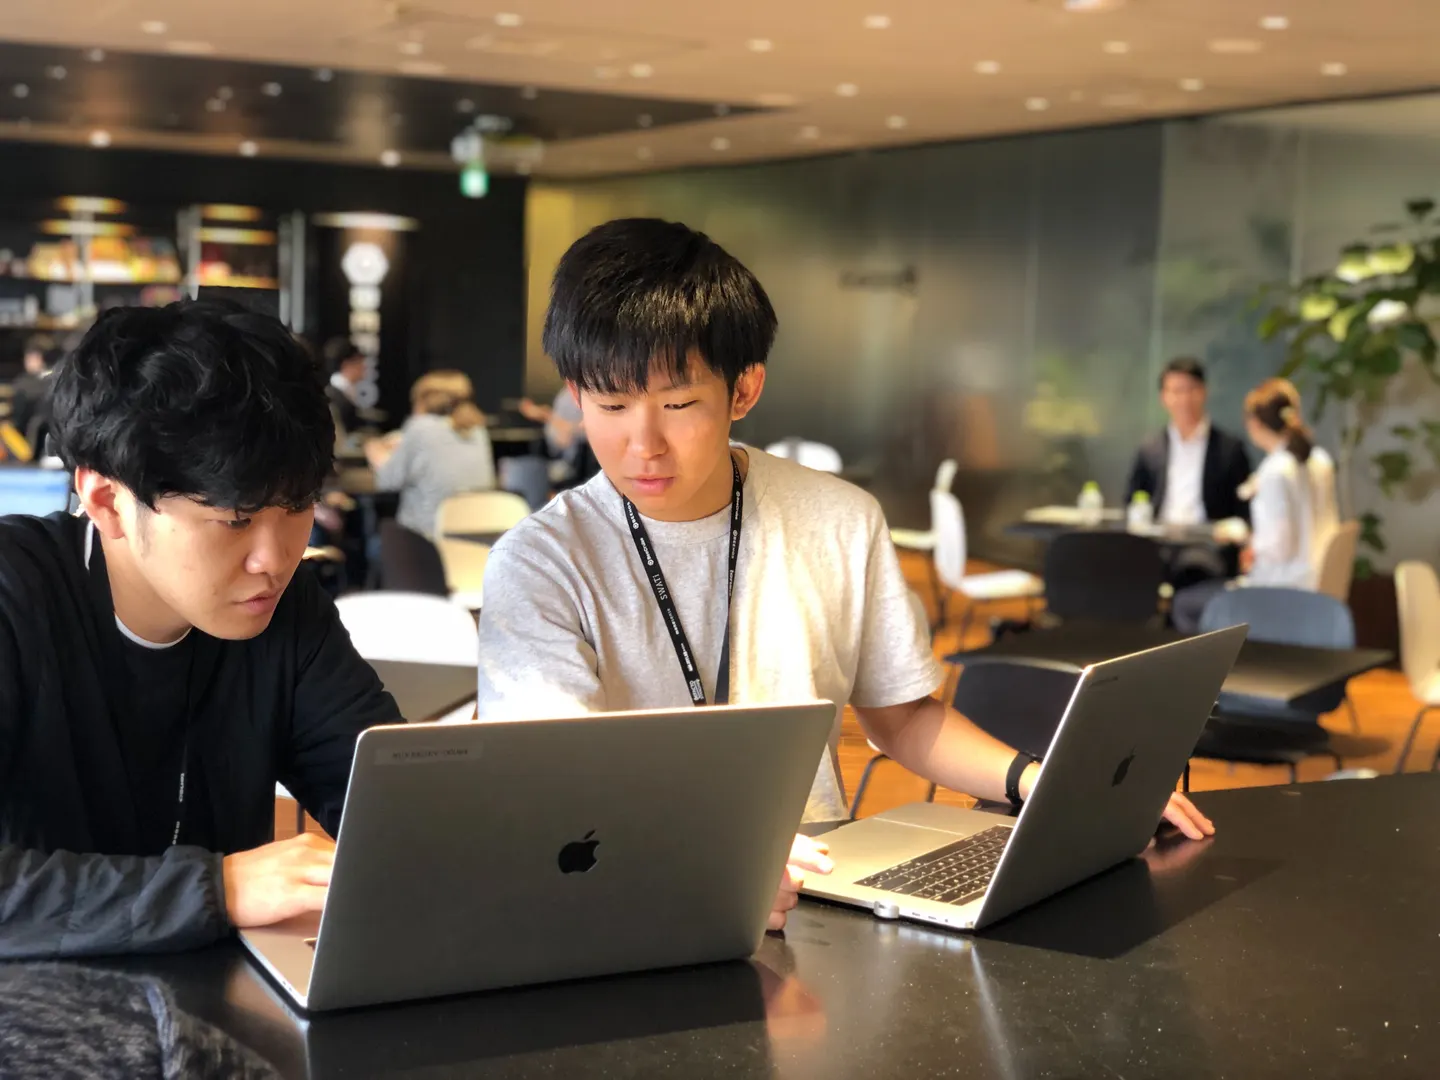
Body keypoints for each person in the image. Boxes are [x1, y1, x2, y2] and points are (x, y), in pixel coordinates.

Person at [475, 218, 1214, 931]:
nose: (644, 444)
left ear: (744, 390)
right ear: (575, 394)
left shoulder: (837, 519)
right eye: (610, 405)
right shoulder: (542, 562)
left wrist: (1050, 785)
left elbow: (904, 719)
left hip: (823, 888)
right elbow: (558, 784)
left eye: (678, 404)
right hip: (632, 898)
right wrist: (707, 860)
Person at [0, 300, 402, 960]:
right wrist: (221, 888)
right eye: (236, 520)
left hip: (221, 1002)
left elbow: (382, 798)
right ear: (107, 501)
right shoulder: (15, 593)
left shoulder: (284, 608)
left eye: (298, 507)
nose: (275, 559)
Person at [1171, 378, 1325, 633]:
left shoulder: (1275, 472)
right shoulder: (1318, 462)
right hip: (1313, 580)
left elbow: (1278, 548)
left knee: (1184, 604)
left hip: (1279, 588)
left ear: (1254, 423)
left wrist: (1246, 539)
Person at [366, 370, 497, 541]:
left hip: (427, 540)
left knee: (373, 542)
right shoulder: (478, 431)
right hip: (476, 538)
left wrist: (375, 452)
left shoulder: (420, 427)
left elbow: (388, 481)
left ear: (423, 400)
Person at [1126, 358, 1253, 526]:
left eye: (1191, 389)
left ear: (1204, 392)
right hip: (1159, 533)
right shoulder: (1149, 449)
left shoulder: (1230, 449)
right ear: (1163, 397)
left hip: (1209, 536)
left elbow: (1244, 507)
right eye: (1176, 391)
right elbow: (1133, 499)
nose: (1184, 399)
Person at [10, 334, 54, 446]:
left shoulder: (25, 385)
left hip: (27, 440)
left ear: (40, 358)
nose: (27, 361)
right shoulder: (58, 380)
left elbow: (18, 419)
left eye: (30, 358)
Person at [322, 336, 368, 437]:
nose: (364, 367)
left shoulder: (346, 391)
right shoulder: (333, 397)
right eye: (360, 362)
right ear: (346, 364)